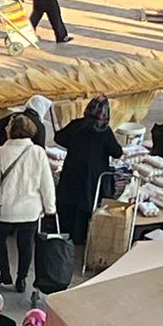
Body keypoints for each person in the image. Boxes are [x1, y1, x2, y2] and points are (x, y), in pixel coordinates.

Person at [53, 97, 120, 248]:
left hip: (72, 171)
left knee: (69, 202)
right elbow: (117, 152)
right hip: (93, 176)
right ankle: (80, 237)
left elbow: (59, 137)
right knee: (85, 205)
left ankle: (65, 233)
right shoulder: (105, 132)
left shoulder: (76, 125)